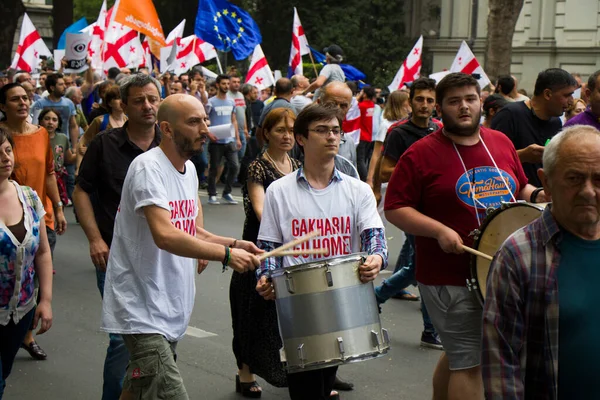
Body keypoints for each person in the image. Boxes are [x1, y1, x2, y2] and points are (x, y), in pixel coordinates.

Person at [384, 73, 546, 400]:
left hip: (497, 270)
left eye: (470, 99)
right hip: (447, 275)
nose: (464, 107)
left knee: (463, 353)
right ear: (439, 110)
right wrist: (439, 229)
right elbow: (395, 208)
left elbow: (517, 185)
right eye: (454, 101)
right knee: (471, 361)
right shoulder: (419, 153)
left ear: (481, 102)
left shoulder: (498, 142)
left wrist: (536, 194)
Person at [101, 94, 261, 400]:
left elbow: (187, 229)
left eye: (203, 119)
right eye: (193, 121)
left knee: (136, 389)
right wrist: (227, 255)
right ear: (168, 129)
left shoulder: (187, 171)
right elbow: (164, 235)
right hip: (142, 308)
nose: (204, 128)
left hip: (167, 305)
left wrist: (235, 243)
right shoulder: (149, 169)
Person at [256, 103, 387, 400]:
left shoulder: (358, 190)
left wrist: (376, 257)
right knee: (305, 387)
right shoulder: (279, 190)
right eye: (322, 130)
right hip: (298, 301)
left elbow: (374, 236)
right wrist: (265, 276)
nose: (331, 137)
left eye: (335, 131)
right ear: (301, 139)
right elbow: (269, 246)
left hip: (344, 298)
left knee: (325, 380)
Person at [482, 125, 600, 399]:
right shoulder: (518, 255)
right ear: (545, 182)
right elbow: (500, 364)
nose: (589, 191)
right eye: (574, 178)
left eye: (598, 179)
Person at [73, 74, 162, 400]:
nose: (148, 106)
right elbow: (82, 192)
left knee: (160, 336)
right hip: (116, 256)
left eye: (153, 99)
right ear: (123, 105)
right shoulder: (104, 144)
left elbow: (186, 196)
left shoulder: (169, 145)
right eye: (139, 100)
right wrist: (95, 239)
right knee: (122, 340)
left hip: (162, 257)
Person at [230, 107, 301, 398]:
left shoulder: (297, 164)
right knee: (251, 311)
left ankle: (312, 371)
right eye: (280, 130)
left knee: (286, 315)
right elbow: (261, 212)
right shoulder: (257, 167)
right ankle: (244, 373)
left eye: (291, 130)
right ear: (266, 133)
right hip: (258, 248)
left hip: (290, 248)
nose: (286, 136)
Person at [372, 78, 443, 349]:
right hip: (411, 209)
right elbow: (385, 172)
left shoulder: (439, 129)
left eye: (429, 100)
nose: (424, 105)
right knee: (425, 266)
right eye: (419, 99)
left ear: (435, 104)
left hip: (437, 208)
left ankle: (378, 296)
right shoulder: (399, 132)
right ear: (409, 102)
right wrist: (418, 166)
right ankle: (429, 329)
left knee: (418, 266)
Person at [0, 83, 66, 362]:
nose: (23, 103)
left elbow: (49, 172)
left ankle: (26, 333)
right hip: (6, 219)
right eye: (15, 99)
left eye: (26, 98)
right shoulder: (2, 137)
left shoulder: (41, 134)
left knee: (35, 273)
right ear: (3, 106)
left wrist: (59, 208)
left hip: (38, 214)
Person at [0, 128, 53, 397]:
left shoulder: (29, 197)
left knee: (3, 374)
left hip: (21, 311)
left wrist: (45, 300)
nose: (4, 158)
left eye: (7, 151)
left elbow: (42, 252)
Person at [491, 68, 577, 186]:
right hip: (512, 197)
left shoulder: (555, 122)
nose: (571, 102)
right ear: (547, 94)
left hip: (543, 197)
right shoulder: (510, 115)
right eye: (567, 95)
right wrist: (522, 156)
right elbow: (490, 160)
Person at [206, 74, 241, 205]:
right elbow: (205, 119)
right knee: (214, 168)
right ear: (217, 85)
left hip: (229, 140)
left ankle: (227, 192)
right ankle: (212, 193)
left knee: (234, 166)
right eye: (223, 84)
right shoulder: (211, 102)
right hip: (216, 141)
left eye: (227, 84)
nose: (226, 86)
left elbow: (234, 119)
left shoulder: (231, 102)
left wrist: (237, 138)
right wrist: (209, 134)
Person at [366, 90, 410, 188]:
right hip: (386, 181)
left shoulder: (409, 125)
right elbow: (376, 154)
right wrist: (370, 179)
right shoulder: (386, 125)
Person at [39, 109, 75, 205]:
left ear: (58, 124)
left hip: (59, 177)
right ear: (40, 121)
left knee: (59, 204)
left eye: (54, 120)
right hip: (42, 177)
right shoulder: (36, 138)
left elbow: (69, 159)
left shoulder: (63, 138)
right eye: (47, 119)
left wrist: (80, 152)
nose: (50, 122)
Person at [257, 78, 295, 148]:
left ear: (275, 91)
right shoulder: (289, 108)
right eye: (280, 130)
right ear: (292, 91)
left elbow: (259, 131)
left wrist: (263, 147)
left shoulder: (267, 106)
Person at [228, 75, 249, 168]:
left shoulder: (240, 95)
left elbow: (243, 112)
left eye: (238, 82)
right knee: (233, 156)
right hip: (232, 130)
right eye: (234, 82)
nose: (236, 84)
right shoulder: (227, 96)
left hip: (242, 130)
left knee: (241, 154)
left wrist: (245, 128)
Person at [356, 86, 376, 181]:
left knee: (360, 160)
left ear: (364, 94)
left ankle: (365, 180)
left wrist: (357, 98)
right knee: (365, 159)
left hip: (361, 135)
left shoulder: (361, 106)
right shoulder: (372, 105)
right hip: (369, 135)